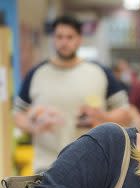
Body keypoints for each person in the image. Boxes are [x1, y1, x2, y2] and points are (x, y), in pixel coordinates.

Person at [13, 15, 131, 173]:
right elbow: (17, 114)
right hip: (46, 165)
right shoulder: (36, 73)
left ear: (79, 39)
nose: (64, 42)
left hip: (92, 163)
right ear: (53, 39)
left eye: (70, 37)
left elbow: (125, 113)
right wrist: (33, 126)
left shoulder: (100, 72)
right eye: (59, 37)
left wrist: (102, 117)